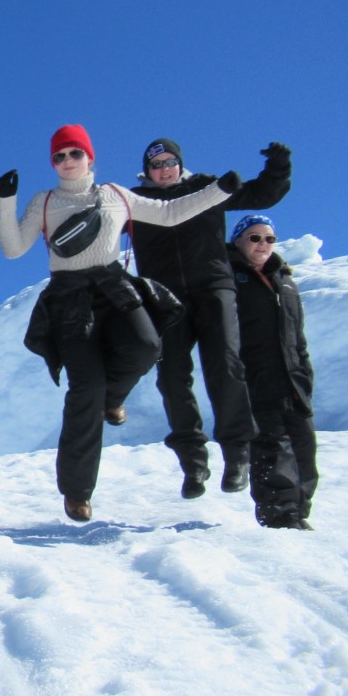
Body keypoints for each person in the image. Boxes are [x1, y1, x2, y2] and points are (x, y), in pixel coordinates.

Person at [0, 126, 243, 522]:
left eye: (74, 153)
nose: (66, 162)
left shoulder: (114, 195)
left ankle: (114, 399)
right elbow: (13, 249)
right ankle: (77, 492)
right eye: (59, 156)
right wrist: (6, 201)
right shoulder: (44, 202)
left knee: (147, 346)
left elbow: (169, 213)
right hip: (69, 298)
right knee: (84, 392)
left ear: (90, 158)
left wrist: (220, 191)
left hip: (114, 288)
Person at [131, 139, 292, 499]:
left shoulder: (206, 187)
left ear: (180, 163)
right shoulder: (136, 202)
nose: (164, 168)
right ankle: (193, 461)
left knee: (224, 364)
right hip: (164, 297)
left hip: (212, 287)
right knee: (172, 377)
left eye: (170, 161)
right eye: (156, 164)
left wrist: (278, 167)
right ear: (147, 170)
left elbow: (261, 195)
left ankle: (237, 455)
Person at [228, 215, 317, 529]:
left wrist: (304, 374)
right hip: (255, 379)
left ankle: (297, 512)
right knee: (272, 448)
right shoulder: (227, 277)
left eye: (269, 239)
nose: (262, 244)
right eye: (254, 238)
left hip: (293, 381)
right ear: (238, 240)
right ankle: (279, 515)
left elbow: (297, 336)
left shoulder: (285, 280)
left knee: (304, 447)